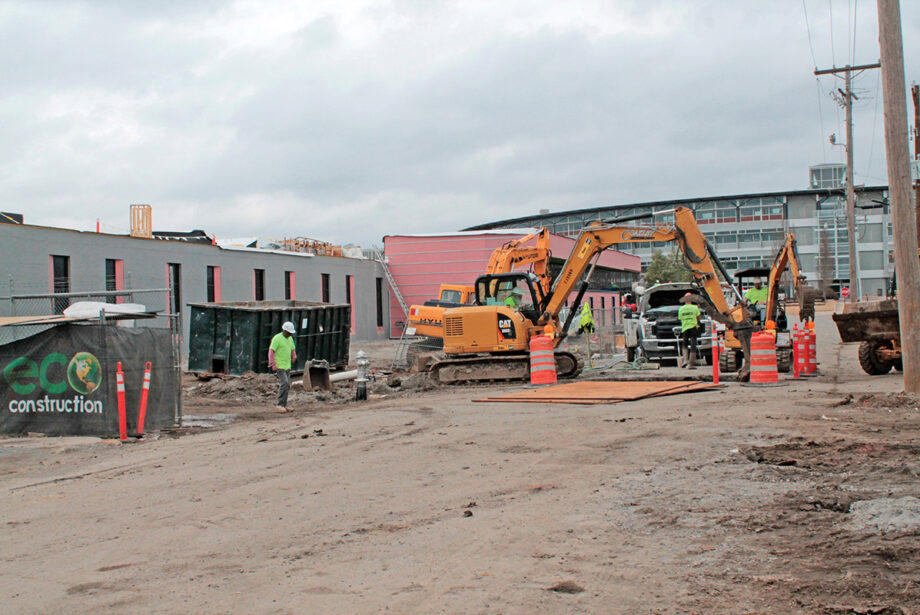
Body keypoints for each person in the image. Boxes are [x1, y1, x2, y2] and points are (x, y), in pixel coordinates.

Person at [268, 321, 297, 413]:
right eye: (288, 333)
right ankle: (280, 404)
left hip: (287, 366)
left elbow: (292, 349)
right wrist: (273, 364)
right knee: (284, 383)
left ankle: (284, 405)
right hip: (280, 366)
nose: (289, 335)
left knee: (287, 385)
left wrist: (294, 356)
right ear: (284, 330)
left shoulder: (290, 339)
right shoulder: (277, 338)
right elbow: (271, 351)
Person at [677, 293, 701, 369]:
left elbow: (680, 319)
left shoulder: (681, 309)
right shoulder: (695, 307)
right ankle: (691, 364)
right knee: (693, 344)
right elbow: (698, 317)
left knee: (685, 344)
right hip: (693, 327)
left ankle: (685, 361)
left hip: (685, 328)